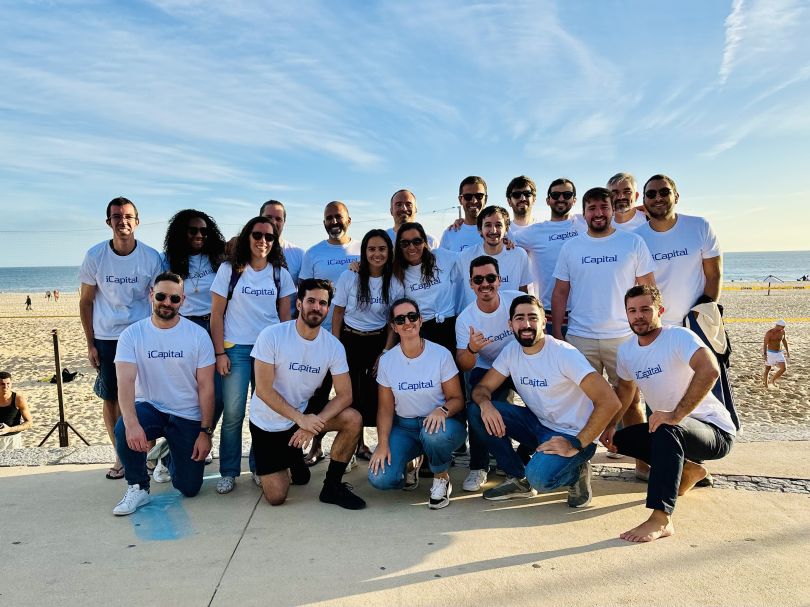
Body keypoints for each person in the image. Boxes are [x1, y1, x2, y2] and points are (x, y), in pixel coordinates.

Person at [601, 285, 736, 542]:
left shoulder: (679, 337)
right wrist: (611, 425)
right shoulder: (627, 351)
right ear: (626, 315)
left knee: (665, 428)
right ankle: (689, 471)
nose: (638, 316)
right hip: (675, 431)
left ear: (659, 310)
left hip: (714, 431)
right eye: (632, 311)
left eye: (645, 309)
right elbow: (626, 391)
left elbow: (709, 370)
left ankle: (661, 519)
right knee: (621, 440)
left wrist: (676, 414)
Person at [469, 295, 621, 507]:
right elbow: (482, 388)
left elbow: (610, 401)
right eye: (519, 318)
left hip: (573, 435)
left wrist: (576, 443)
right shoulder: (512, 351)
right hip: (538, 425)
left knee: (540, 479)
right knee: (476, 411)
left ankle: (576, 472)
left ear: (543, 322)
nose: (526, 324)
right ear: (510, 324)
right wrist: (486, 405)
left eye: (533, 317)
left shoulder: (563, 353)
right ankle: (518, 479)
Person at [551, 187, 655, 478]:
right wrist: (559, 334)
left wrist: (647, 330)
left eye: (603, 207)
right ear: (583, 213)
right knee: (580, 403)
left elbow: (648, 288)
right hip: (581, 336)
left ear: (613, 210)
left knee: (632, 401)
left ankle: (642, 461)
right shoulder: (572, 247)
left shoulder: (632, 242)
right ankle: (578, 466)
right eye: (592, 208)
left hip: (623, 336)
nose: (598, 213)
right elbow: (560, 292)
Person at [249, 278, 366, 510]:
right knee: (276, 497)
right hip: (268, 424)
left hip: (302, 419)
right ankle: (285, 461)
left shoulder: (333, 346)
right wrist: (300, 419)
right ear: (299, 303)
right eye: (311, 301)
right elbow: (262, 390)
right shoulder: (271, 335)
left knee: (353, 418)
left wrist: (311, 423)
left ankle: (332, 486)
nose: (317, 307)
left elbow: (345, 395)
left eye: (323, 303)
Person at [111, 272, 215, 515]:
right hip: (151, 407)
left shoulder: (198, 335)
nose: (167, 302)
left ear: (183, 301)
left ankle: (166, 456)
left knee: (189, 488)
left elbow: (207, 387)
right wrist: (132, 424)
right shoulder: (132, 335)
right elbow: (125, 382)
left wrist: (205, 432)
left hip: (187, 414)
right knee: (123, 427)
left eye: (174, 298)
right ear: (151, 296)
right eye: (161, 296)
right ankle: (138, 487)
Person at [210, 216, 295, 494]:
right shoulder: (229, 270)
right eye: (257, 235)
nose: (263, 241)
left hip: (269, 354)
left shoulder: (280, 273)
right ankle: (230, 471)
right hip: (236, 350)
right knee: (233, 413)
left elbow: (285, 320)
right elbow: (216, 315)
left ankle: (261, 467)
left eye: (269, 237)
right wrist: (220, 352)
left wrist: (284, 356)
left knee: (265, 412)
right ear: (248, 236)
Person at [78, 196, 163, 480]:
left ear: (137, 222)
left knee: (146, 395)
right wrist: (90, 343)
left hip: (141, 334)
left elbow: (160, 299)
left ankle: (147, 453)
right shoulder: (95, 256)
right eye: (116, 216)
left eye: (128, 216)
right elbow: (86, 301)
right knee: (112, 397)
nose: (122, 221)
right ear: (108, 222)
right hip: (107, 336)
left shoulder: (151, 257)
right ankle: (121, 456)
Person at [368, 298, 466, 509]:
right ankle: (409, 463)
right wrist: (382, 444)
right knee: (381, 479)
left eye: (412, 316)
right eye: (400, 319)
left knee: (434, 435)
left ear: (420, 320)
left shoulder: (441, 354)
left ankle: (441, 477)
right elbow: (385, 409)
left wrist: (443, 410)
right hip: (405, 427)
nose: (407, 322)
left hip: (441, 425)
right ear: (393, 326)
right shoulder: (387, 361)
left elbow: (457, 399)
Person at [159, 209, 226, 472]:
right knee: (184, 394)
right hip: (183, 328)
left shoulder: (218, 259)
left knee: (217, 394)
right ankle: (169, 453)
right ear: (180, 233)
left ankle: (204, 435)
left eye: (204, 231)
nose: (199, 235)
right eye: (192, 230)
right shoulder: (168, 260)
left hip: (215, 326)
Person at [298, 201, 362, 465]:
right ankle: (316, 446)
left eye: (338, 217)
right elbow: (303, 294)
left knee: (355, 390)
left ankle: (358, 444)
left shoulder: (361, 250)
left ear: (349, 219)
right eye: (329, 218)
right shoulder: (313, 253)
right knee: (319, 392)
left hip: (356, 332)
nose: (334, 221)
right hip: (321, 335)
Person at [332, 229, 403, 459]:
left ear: (389, 252)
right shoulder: (349, 276)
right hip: (350, 339)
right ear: (364, 252)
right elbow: (338, 311)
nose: (377, 254)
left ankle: (383, 445)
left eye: (382, 249)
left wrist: (385, 352)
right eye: (371, 249)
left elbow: (393, 321)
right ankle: (355, 445)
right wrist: (336, 345)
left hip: (378, 340)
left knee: (376, 393)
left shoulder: (394, 282)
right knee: (351, 394)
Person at [455, 256, 523, 491]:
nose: (485, 284)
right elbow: (464, 363)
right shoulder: (466, 319)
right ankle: (478, 466)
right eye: (478, 279)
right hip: (486, 368)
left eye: (490, 277)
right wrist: (473, 348)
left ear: (500, 279)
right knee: (477, 411)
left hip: (518, 363)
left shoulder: (515, 301)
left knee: (544, 402)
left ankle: (521, 457)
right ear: (471, 284)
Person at [635, 174, 722, 326]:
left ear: (676, 196)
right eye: (651, 194)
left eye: (664, 192)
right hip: (656, 325)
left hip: (697, 323)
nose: (658, 198)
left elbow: (714, 275)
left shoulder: (700, 226)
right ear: (644, 200)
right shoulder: (636, 238)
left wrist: (700, 315)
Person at [513, 178, 587, 334]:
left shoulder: (584, 223)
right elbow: (502, 238)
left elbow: (620, 215)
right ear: (548, 200)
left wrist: (646, 210)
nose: (561, 199)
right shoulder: (535, 231)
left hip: (583, 311)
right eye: (556, 195)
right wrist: (462, 222)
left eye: (567, 195)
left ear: (574, 200)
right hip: (549, 312)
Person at [394, 221, 463, 354]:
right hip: (420, 332)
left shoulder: (441, 257)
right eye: (405, 243)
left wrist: (503, 243)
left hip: (450, 328)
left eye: (417, 241)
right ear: (399, 246)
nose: (412, 247)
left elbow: (471, 257)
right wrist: (357, 265)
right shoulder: (397, 271)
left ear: (425, 242)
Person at [457, 205, 531, 307]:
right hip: (476, 321)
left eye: (498, 225)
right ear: (480, 229)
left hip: (509, 320)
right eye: (488, 225)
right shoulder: (464, 257)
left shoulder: (519, 255)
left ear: (506, 229)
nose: (493, 230)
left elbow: (523, 292)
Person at [439, 176, 488, 252]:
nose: (474, 201)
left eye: (479, 196)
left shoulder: (496, 233)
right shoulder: (449, 234)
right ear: (460, 200)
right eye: (467, 196)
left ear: (486, 199)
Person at [0, 372, 33, 451]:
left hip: (12, 440)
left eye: (8, 383)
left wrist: (9, 429)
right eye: (2, 384)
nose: (6, 387)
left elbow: (29, 423)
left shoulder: (18, 400)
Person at [763, 320, 790, 388]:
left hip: (779, 353)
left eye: (784, 327)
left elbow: (784, 340)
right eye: (782, 327)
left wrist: (787, 351)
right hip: (770, 353)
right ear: (777, 326)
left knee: (783, 368)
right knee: (767, 369)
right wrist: (765, 354)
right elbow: (765, 344)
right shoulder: (769, 333)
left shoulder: (782, 332)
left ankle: (773, 380)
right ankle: (766, 385)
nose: (783, 328)